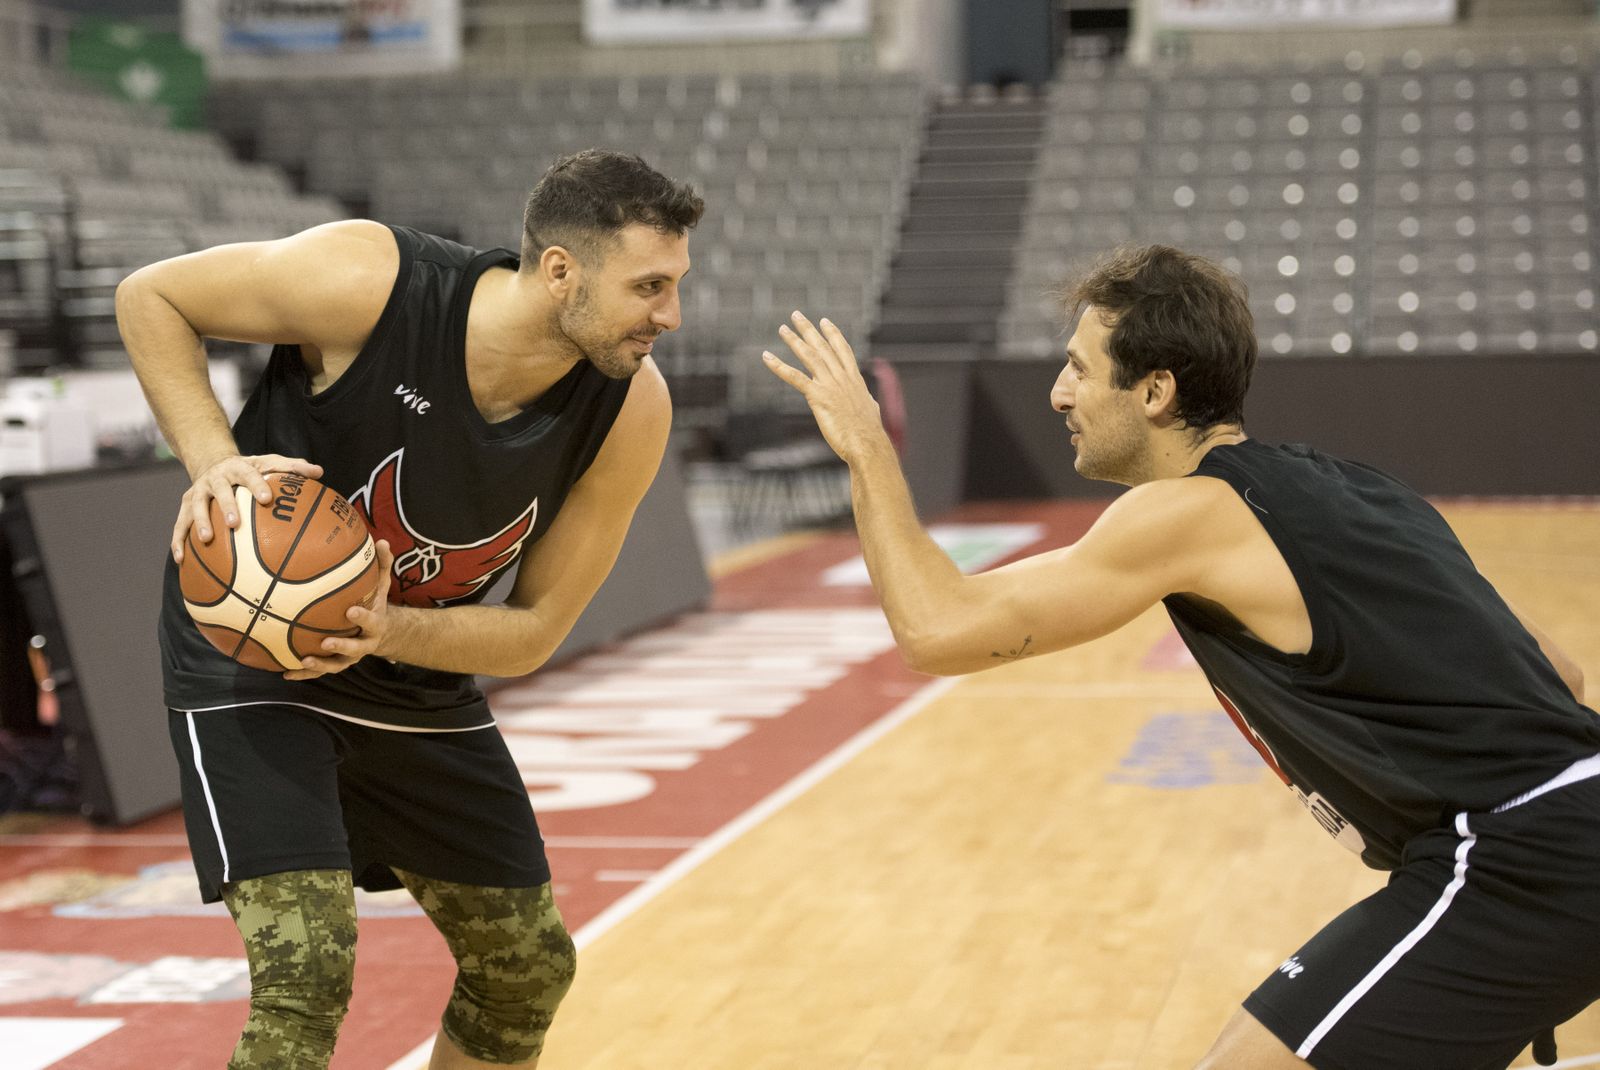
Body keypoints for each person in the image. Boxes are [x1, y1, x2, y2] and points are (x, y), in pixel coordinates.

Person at [762, 244, 1599, 1070]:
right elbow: (1560, 675)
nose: (1059, 394)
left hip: (1516, 860)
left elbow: (937, 628)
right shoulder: (1356, 485)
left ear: (1155, 390)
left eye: (1080, 370)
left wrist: (867, 448)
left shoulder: (1190, 510)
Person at [115, 149, 702, 1069]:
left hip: (412, 674)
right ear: (560, 272)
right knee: (304, 977)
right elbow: (153, 296)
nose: (668, 315)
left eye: (674, 286)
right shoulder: (372, 282)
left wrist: (390, 629)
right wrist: (211, 461)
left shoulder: (630, 410)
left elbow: (536, 629)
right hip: (256, 665)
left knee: (527, 969)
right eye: (649, 286)